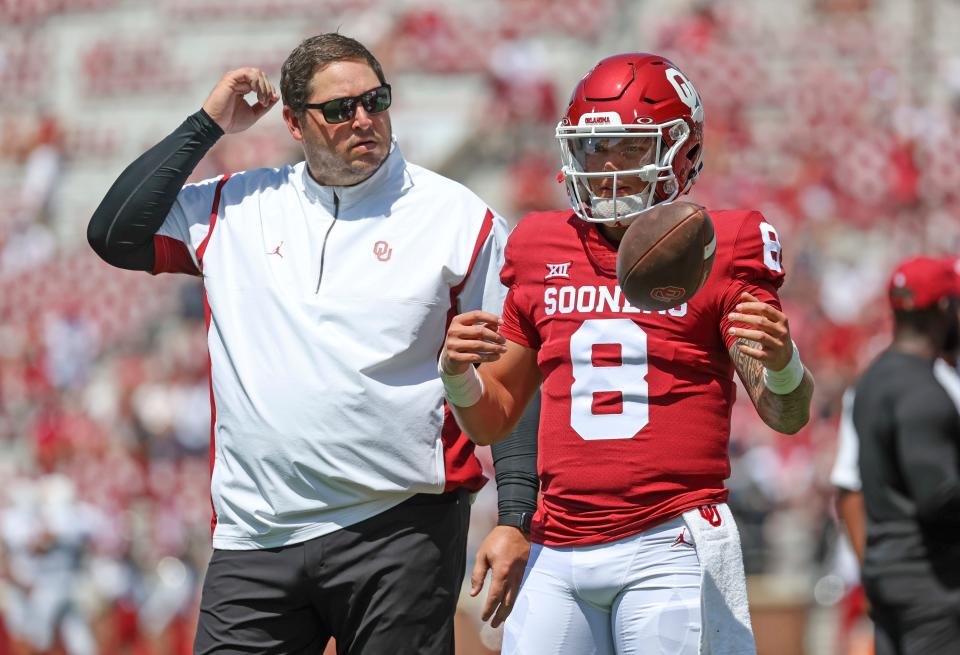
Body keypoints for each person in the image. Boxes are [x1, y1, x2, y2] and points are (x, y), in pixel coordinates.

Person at [87, 32, 531, 655]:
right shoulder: (235, 204)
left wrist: (515, 516)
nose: (364, 119)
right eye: (339, 109)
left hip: (400, 529)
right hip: (254, 536)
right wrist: (208, 123)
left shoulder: (460, 217)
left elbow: (512, 374)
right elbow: (112, 232)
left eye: (376, 100)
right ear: (293, 122)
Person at [439, 52, 815, 654]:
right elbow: (495, 416)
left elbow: (787, 414)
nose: (608, 166)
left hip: (670, 537)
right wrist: (457, 376)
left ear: (681, 152)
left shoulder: (723, 243)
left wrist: (782, 362)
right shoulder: (539, 243)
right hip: (557, 541)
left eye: (629, 148)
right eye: (594, 150)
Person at [852, 256, 960, 655]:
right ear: (945, 308)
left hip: (887, 573)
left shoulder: (872, 381)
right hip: (930, 585)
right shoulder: (922, 391)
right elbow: (939, 496)